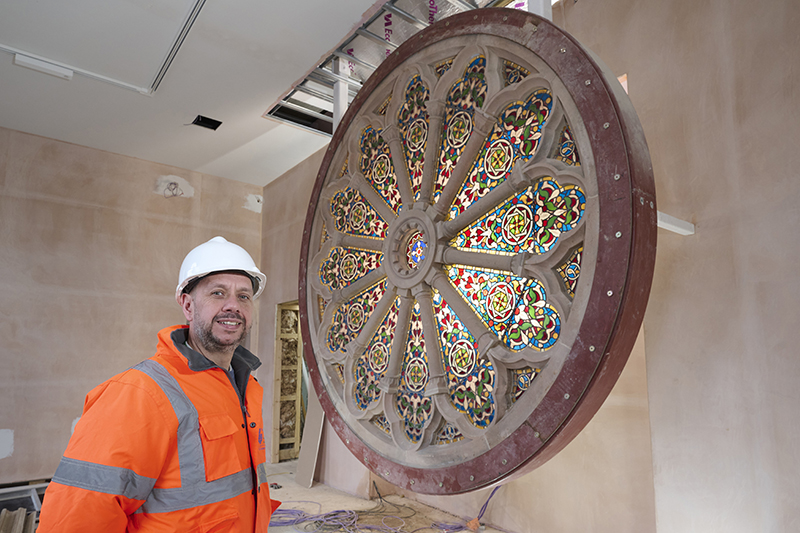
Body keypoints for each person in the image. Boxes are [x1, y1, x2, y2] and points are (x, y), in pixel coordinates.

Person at [37, 236, 280, 532]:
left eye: (244, 296)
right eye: (218, 293)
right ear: (187, 305)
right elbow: (78, 519)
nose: (233, 306)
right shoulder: (140, 394)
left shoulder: (243, 387)